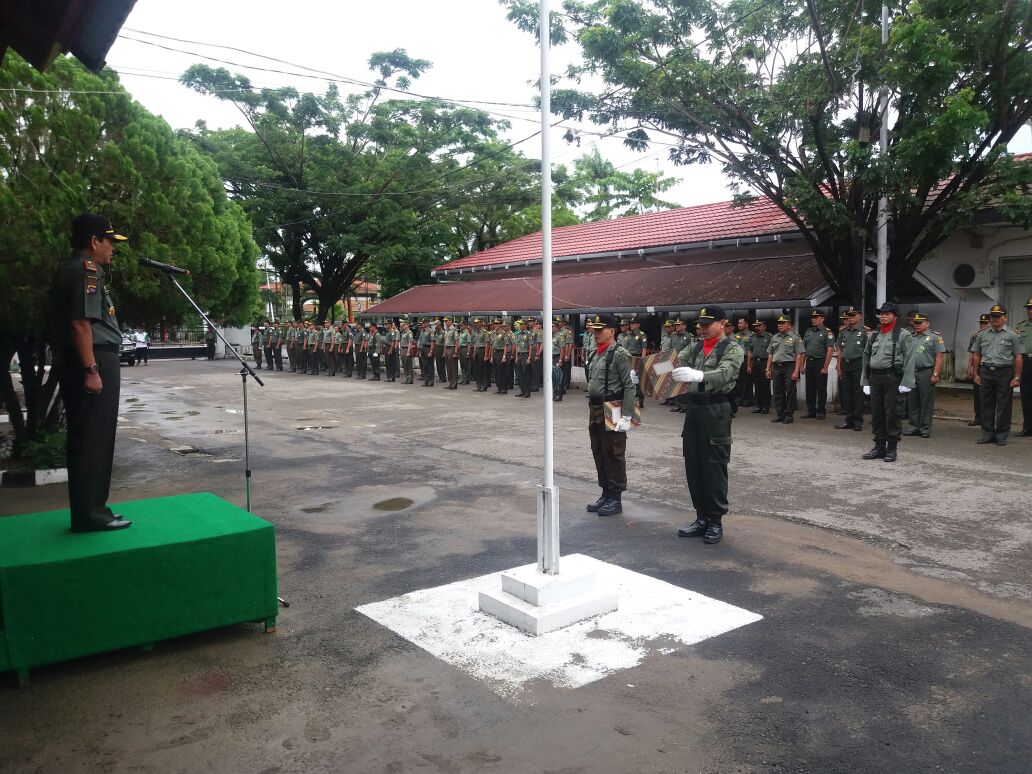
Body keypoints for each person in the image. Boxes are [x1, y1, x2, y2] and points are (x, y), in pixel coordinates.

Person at [49, 213, 132, 532]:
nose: (112, 248)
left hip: (91, 358)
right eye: (109, 241)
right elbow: (80, 324)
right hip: (93, 358)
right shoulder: (87, 271)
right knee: (92, 438)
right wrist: (92, 369)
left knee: (92, 437)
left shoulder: (74, 269)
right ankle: (89, 513)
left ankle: (94, 508)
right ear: (94, 242)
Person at [671, 306, 743, 544]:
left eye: (707, 324)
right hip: (694, 409)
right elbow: (675, 362)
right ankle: (701, 517)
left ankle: (715, 520)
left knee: (713, 465)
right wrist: (647, 373)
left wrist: (700, 376)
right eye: (699, 325)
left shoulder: (732, 348)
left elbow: (725, 374)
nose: (701, 329)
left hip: (716, 410)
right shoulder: (696, 346)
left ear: (722, 324)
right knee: (694, 464)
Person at [583, 313, 637, 518]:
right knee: (598, 450)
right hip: (596, 407)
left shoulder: (619, 354)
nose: (596, 333)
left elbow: (630, 386)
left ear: (612, 331)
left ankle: (615, 497)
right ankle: (605, 492)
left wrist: (627, 416)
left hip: (613, 406)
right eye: (594, 330)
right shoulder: (595, 353)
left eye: (600, 330)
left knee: (613, 452)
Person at [861, 302, 917, 462]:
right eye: (882, 313)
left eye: (888, 313)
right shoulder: (874, 334)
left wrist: (907, 382)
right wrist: (865, 381)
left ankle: (892, 447)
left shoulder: (903, 334)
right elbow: (866, 357)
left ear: (895, 316)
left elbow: (910, 358)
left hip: (892, 378)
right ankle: (879, 446)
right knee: (877, 414)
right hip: (875, 378)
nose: (883, 316)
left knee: (892, 413)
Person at [970, 304, 1023, 446]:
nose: (995, 319)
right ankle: (987, 433)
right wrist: (976, 373)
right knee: (986, 403)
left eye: (998, 316)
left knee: (1003, 405)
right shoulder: (982, 334)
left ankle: (1001, 434)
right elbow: (976, 355)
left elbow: (1018, 357)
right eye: (992, 316)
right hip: (986, 371)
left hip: (1004, 372)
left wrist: (1017, 376)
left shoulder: (1013, 335)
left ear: (1005, 317)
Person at [903, 313, 946, 438]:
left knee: (926, 401)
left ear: (927, 323)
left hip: (926, 372)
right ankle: (913, 426)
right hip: (911, 371)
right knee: (912, 400)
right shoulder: (910, 336)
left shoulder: (934, 337)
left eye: (920, 323)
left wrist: (936, 374)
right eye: (915, 323)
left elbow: (940, 355)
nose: (917, 325)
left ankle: (925, 428)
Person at [765, 315, 804, 423]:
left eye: (783, 323)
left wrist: (796, 371)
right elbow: (770, 354)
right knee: (778, 391)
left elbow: (798, 355)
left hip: (789, 366)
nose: (780, 325)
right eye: (779, 323)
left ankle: (789, 415)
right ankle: (780, 414)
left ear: (789, 325)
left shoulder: (795, 337)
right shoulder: (774, 337)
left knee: (790, 391)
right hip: (776, 367)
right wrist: (768, 369)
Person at [835, 307, 867, 431]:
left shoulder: (865, 332)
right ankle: (848, 419)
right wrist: (838, 365)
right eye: (849, 315)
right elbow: (840, 350)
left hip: (858, 364)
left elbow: (867, 351)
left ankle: (858, 421)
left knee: (858, 393)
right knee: (846, 393)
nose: (850, 317)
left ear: (860, 316)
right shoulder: (843, 331)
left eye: (853, 315)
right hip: (845, 364)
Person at [801, 310, 834, 418]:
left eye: (816, 317)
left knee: (821, 388)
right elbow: (804, 350)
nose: (813, 319)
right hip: (809, 362)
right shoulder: (808, 332)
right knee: (809, 388)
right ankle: (811, 411)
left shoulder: (827, 332)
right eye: (812, 317)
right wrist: (802, 365)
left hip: (820, 362)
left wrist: (825, 367)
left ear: (822, 318)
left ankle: (821, 411)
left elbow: (829, 351)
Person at [965, 314, 990, 426]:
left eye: (986, 323)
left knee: (989, 394)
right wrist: (970, 367)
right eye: (982, 323)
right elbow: (972, 353)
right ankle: (978, 417)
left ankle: (988, 419)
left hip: (989, 367)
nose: (983, 325)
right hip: (978, 367)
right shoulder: (976, 336)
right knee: (977, 393)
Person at [747, 319, 772, 414]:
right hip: (755, 363)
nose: (757, 327)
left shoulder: (769, 337)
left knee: (765, 385)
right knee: (756, 385)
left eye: (759, 325)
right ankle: (759, 405)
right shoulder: (752, 337)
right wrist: (749, 365)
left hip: (764, 362)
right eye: (755, 325)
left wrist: (769, 368)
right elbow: (750, 351)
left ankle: (766, 406)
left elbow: (771, 353)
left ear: (764, 327)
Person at [1015, 298, 1032, 438]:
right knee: (1025, 396)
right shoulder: (1021, 327)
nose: (1030, 311)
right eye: (1028, 308)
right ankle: (1027, 428)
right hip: (1026, 362)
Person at [732, 317, 753, 408]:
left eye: (741, 323)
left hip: (746, 359)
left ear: (746, 324)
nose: (739, 325)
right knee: (738, 380)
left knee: (747, 381)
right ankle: (739, 399)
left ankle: (747, 400)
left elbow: (751, 350)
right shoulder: (736, 335)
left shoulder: (751, 335)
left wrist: (750, 364)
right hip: (737, 359)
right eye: (738, 323)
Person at [442, 316, 460, 389]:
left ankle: (454, 383)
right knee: (448, 367)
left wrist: (455, 352)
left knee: (453, 367)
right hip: (447, 349)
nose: (445, 322)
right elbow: (445, 342)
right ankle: (450, 382)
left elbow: (456, 341)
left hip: (452, 349)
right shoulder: (446, 330)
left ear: (450, 321)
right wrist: (444, 352)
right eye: (445, 321)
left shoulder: (454, 330)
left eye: (447, 321)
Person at [399, 320, 414, 384]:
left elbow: (410, 343)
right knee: (404, 364)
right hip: (403, 349)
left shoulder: (409, 333)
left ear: (407, 325)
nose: (402, 326)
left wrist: (408, 352)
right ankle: (407, 378)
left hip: (407, 349)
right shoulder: (403, 332)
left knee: (408, 365)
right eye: (402, 325)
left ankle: (410, 378)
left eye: (403, 325)